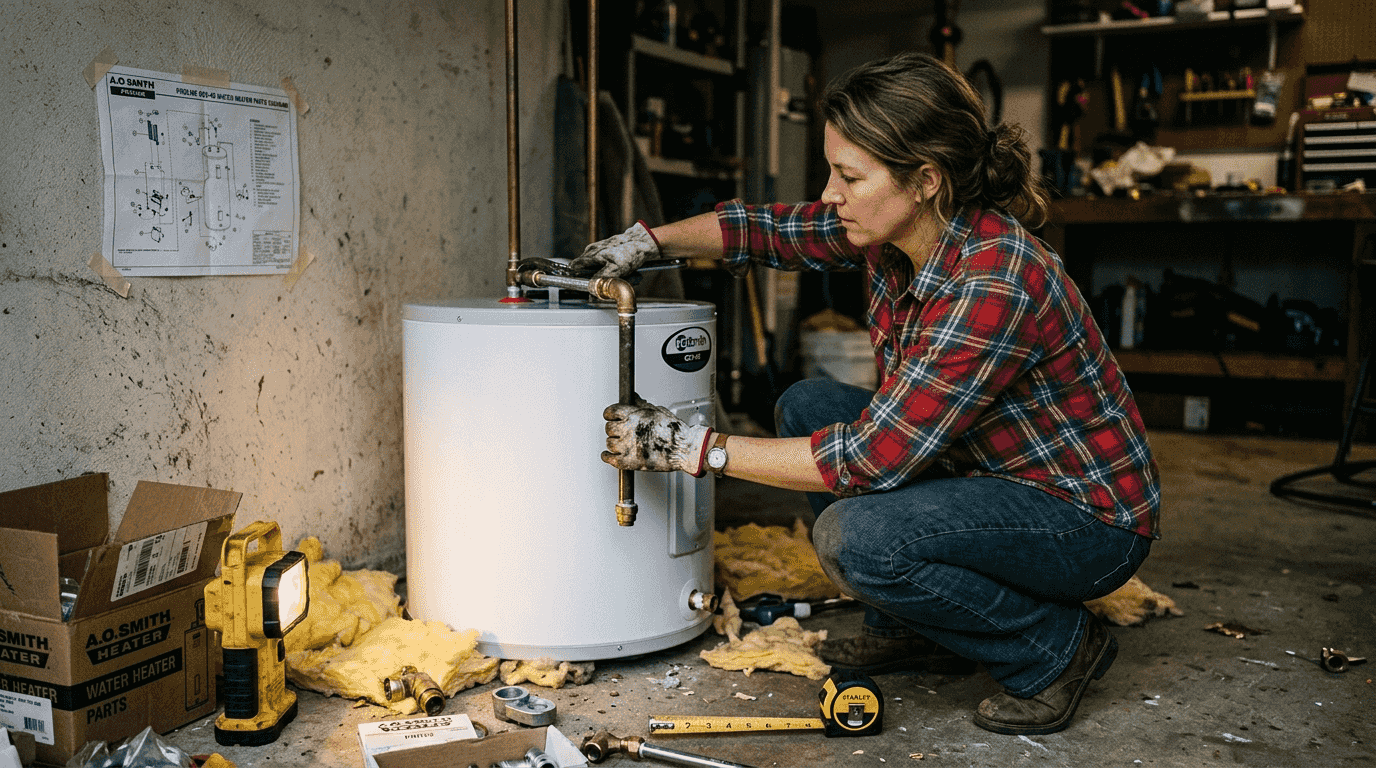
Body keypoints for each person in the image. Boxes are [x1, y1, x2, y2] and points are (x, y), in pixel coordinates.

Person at [571, 51, 1161, 737]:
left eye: (849, 176)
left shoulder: (993, 282)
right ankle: (913, 626)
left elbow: (871, 459)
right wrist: (644, 243)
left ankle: (1053, 648)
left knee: (858, 541)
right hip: (989, 471)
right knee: (807, 406)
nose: (831, 193)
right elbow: (765, 229)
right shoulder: (898, 233)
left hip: (1083, 520)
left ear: (926, 180)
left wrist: (691, 447)